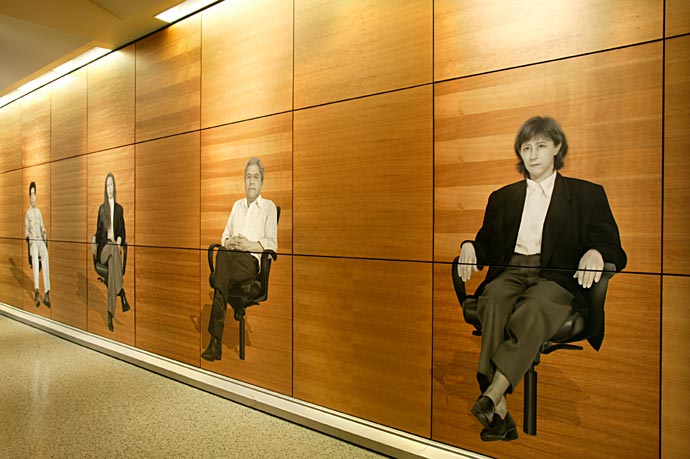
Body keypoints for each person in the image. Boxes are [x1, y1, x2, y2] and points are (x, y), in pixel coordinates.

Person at [457, 116, 627, 442]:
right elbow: (486, 244)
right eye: (526, 148)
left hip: (556, 279)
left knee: (533, 308)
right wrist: (470, 246)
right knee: (493, 299)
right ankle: (498, 408)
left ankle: (493, 393)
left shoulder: (587, 195)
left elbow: (614, 249)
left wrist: (598, 253)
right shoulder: (502, 197)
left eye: (541, 146)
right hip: (511, 271)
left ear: (557, 148)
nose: (533, 155)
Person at [202, 157, 278, 362]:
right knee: (223, 252)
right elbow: (224, 236)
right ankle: (216, 341)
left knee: (220, 273)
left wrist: (247, 245)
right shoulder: (237, 206)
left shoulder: (268, 207)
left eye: (256, 177)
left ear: (262, 182)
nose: (251, 181)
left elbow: (272, 244)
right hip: (231, 257)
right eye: (248, 177)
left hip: (249, 262)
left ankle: (215, 341)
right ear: (244, 181)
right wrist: (230, 242)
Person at [95, 173, 130, 332]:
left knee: (114, 253)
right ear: (105, 188)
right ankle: (121, 292)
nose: (109, 188)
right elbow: (98, 232)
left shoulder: (119, 209)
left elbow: (122, 230)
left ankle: (110, 315)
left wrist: (120, 239)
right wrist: (98, 239)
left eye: (111, 185)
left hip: (114, 250)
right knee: (113, 249)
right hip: (104, 250)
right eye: (107, 185)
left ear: (114, 187)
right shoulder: (102, 209)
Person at [25, 181, 51, 308]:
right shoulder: (27, 214)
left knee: (45, 255)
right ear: (29, 197)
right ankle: (36, 291)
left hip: (40, 239)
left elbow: (43, 227)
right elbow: (26, 231)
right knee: (35, 257)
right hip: (33, 242)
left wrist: (44, 233)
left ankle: (46, 292)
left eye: (34, 194)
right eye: (31, 194)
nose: (33, 197)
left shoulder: (39, 212)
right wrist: (29, 238)